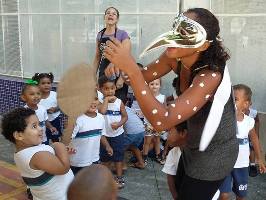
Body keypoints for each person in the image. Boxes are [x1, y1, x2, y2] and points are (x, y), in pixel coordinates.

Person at [103, 8, 238, 200]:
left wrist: (131, 70)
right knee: (179, 187)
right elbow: (140, 77)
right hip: (191, 143)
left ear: (203, 45)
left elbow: (161, 122)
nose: (174, 35)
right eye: (176, 27)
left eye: (185, 32)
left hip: (215, 153)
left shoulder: (211, 75)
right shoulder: (175, 57)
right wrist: (124, 66)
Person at [1, 107, 74, 200]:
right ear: (19, 135)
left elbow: (46, 157)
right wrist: (59, 145)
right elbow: (64, 168)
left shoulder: (22, 153)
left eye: (39, 124)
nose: (41, 128)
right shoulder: (38, 156)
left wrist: (58, 153)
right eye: (34, 126)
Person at [219, 84, 266, 200]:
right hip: (225, 164)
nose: (230, 102)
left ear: (245, 104)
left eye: (234, 99)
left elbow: (254, 139)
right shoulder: (223, 119)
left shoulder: (249, 121)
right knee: (224, 194)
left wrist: (260, 158)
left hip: (242, 165)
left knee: (241, 195)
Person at [93, 6, 131, 103]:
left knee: (118, 104)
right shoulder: (100, 34)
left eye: (114, 14)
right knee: (103, 103)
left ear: (117, 19)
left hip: (118, 71)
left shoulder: (123, 34)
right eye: (108, 13)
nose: (110, 14)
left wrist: (122, 78)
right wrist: (93, 77)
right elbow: (97, 57)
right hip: (104, 73)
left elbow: (126, 57)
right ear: (104, 17)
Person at [68, 97, 113, 175]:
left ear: (98, 101)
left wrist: (107, 146)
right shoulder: (77, 119)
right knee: (77, 181)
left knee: (90, 180)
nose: (92, 102)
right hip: (78, 160)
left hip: (94, 157)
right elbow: (68, 137)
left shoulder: (100, 118)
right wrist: (68, 146)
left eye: (95, 99)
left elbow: (101, 134)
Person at [97, 75, 128, 189]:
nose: (110, 91)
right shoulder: (99, 102)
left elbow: (125, 117)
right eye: (106, 88)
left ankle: (119, 177)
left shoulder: (119, 102)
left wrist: (119, 124)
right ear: (100, 89)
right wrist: (106, 100)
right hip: (104, 136)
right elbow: (103, 111)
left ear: (115, 88)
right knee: (105, 158)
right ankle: (105, 178)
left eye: (112, 88)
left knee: (118, 157)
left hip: (118, 134)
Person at [21, 80, 57, 145]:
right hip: (31, 141)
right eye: (32, 94)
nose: (36, 96)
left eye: (38, 93)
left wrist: (51, 127)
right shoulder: (23, 111)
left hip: (43, 139)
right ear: (24, 97)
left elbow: (45, 121)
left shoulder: (42, 109)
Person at [32, 72, 62, 143]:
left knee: (55, 138)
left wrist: (56, 109)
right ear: (37, 85)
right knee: (44, 138)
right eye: (43, 83)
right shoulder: (37, 97)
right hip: (42, 122)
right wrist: (46, 111)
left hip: (55, 120)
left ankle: (56, 149)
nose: (46, 85)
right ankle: (46, 150)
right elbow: (35, 108)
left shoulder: (55, 95)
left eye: (48, 83)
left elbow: (62, 106)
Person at [142, 79, 166, 165]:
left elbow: (165, 110)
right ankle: (144, 157)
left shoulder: (162, 97)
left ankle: (158, 155)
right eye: (152, 84)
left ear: (160, 85)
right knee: (147, 141)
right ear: (148, 86)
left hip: (158, 123)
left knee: (157, 140)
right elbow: (144, 109)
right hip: (148, 123)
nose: (154, 86)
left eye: (157, 84)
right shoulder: (146, 97)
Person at [124, 104, 145, 169]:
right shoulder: (128, 108)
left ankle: (122, 165)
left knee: (120, 148)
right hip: (141, 129)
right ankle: (141, 163)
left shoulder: (117, 108)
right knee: (134, 147)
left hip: (133, 132)